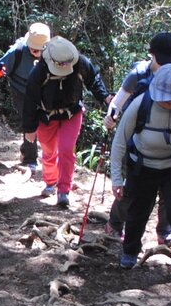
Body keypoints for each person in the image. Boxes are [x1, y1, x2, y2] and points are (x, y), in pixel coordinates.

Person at [110, 63, 171, 281]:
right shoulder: (141, 105)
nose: (169, 100)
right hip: (142, 166)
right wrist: (117, 179)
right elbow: (120, 140)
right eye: (165, 96)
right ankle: (130, 252)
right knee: (138, 211)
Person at [103, 32, 171, 244]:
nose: (167, 66)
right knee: (131, 189)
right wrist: (111, 117)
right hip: (136, 137)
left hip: (170, 140)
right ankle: (115, 223)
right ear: (152, 55)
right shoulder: (138, 74)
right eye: (163, 61)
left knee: (168, 192)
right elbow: (117, 103)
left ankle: (163, 232)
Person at [22, 36, 112, 207]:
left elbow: (94, 80)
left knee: (65, 150)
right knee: (49, 152)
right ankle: (50, 182)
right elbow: (30, 100)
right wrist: (29, 128)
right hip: (46, 116)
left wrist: (106, 97)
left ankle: (64, 190)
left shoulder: (81, 63)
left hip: (72, 113)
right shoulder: (39, 71)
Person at [0, 22, 51, 171]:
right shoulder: (17, 51)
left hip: (42, 91)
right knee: (29, 120)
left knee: (44, 122)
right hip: (21, 91)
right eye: (33, 47)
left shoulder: (52, 53)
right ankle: (30, 160)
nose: (35, 51)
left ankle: (34, 153)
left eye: (38, 49)